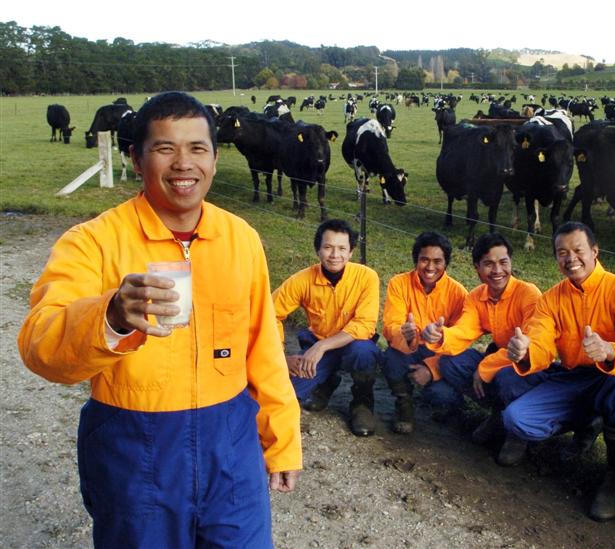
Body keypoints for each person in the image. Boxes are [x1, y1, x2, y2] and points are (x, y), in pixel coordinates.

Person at [17, 91, 301, 548]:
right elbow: (40, 346)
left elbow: (263, 346)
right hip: (134, 447)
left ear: (214, 157)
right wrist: (109, 315)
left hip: (231, 445)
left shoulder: (240, 239)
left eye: (197, 148)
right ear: (135, 157)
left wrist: (281, 435)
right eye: (165, 148)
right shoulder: (94, 242)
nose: (183, 164)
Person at [504, 221, 615, 521]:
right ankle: (588, 422)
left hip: (613, 376)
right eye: (562, 252)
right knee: (516, 419)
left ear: (595, 251)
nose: (571, 259)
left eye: (578, 250)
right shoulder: (551, 298)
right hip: (572, 378)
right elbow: (541, 341)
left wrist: (611, 351)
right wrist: (525, 351)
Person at [421, 232, 542, 465]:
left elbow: (531, 346)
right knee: (450, 361)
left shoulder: (529, 294)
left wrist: (485, 366)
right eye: (489, 264)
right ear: (477, 268)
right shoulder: (477, 297)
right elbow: (464, 331)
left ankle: (518, 434)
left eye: (503, 262)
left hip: (528, 366)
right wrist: (440, 335)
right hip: (499, 360)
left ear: (511, 263)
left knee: (510, 376)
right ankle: (498, 415)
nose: (497, 270)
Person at [272, 219, 381, 437]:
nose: (335, 255)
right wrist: (280, 357)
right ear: (318, 250)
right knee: (286, 391)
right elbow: (270, 314)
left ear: (351, 252)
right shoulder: (301, 280)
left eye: (342, 248)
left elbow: (364, 324)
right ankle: (326, 382)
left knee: (364, 352)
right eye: (328, 247)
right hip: (319, 347)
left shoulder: (367, 277)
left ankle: (362, 402)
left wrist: (322, 346)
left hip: (352, 344)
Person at [382, 231, 469, 434]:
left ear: (446, 263)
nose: (430, 267)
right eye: (424, 260)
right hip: (407, 349)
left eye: (437, 261)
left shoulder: (459, 293)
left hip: (439, 355)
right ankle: (404, 406)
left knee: (444, 395)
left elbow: (460, 342)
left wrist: (432, 369)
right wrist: (405, 333)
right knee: (390, 359)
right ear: (416, 260)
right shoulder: (399, 283)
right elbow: (390, 325)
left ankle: (450, 409)